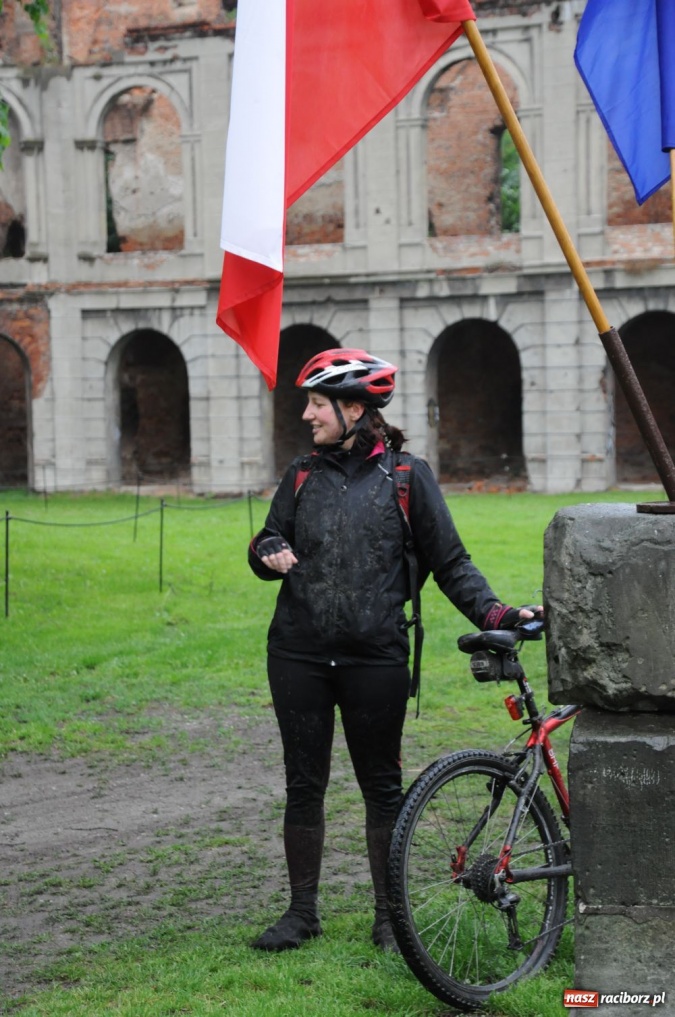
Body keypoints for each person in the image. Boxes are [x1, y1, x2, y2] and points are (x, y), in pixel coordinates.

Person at [248, 348, 539, 954]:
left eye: (317, 403)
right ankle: (302, 913)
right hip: (297, 653)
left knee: (382, 789)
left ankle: (388, 916)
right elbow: (267, 538)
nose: (307, 415)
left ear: (355, 409)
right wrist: (267, 551)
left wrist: (499, 614)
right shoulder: (301, 474)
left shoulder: (407, 477)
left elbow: (451, 563)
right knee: (303, 784)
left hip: (375, 658)